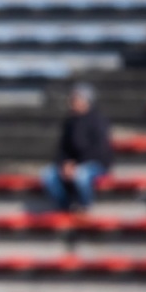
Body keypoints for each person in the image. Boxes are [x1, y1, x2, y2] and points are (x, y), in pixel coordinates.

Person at [41, 83, 113, 212]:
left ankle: (85, 207)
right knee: (48, 175)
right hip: (72, 165)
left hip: (95, 164)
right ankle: (65, 207)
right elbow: (62, 149)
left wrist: (76, 165)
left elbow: (99, 150)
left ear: (86, 101)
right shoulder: (69, 122)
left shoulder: (98, 121)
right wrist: (63, 164)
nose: (72, 102)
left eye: (76, 99)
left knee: (81, 175)